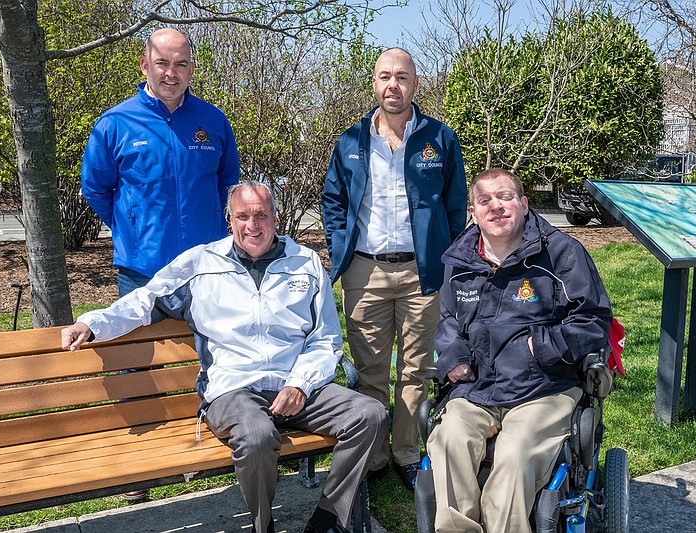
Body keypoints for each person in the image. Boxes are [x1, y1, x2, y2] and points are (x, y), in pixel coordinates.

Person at [61, 181, 387, 533]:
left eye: (261, 215)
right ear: (229, 219)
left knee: (370, 415)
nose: (253, 225)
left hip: (296, 388)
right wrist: (92, 323)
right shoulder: (202, 264)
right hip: (233, 391)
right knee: (257, 436)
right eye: (243, 216)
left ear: (276, 218)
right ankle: (264, 527)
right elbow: (146, 300)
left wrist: (300, 384)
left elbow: (325, 339)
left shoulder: (304, 264)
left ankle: (328, 519)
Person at [427, 169, 613, 533]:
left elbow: (593, 319)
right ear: (474, 211)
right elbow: (448, 319)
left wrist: (538, 347)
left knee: (513, 457)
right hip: (478, 387)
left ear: (524, 204)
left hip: (544, 386)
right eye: (485, 201)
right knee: (449, 440)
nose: (496, 207)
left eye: (506, 197)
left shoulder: (561, 253)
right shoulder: (460, 261)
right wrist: (455, 357)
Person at [321, 47, 467, 491]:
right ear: (373, 83)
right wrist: (340, 244)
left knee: (416, 368)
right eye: (385, 76)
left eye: (402, 77)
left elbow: (455, 205)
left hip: (423, 272)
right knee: (370, 369)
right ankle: (374, 456)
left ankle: (406, 452)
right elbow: (334, 202)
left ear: (415, 84)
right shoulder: (350, 142)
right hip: (365, 272)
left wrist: (444, 253)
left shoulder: (440, 139)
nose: (393, 85)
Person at [81, 27, 240, 297]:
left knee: (206, 341)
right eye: (162, 63)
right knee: (143, 341)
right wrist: (131, 227)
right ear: (145, 66)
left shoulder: (214, 120)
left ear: (191, 69)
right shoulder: (115, 123)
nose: (171, 73)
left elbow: (227, 184)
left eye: (180, 64)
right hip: (142, 271)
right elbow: (95, 189)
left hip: (205, 265)